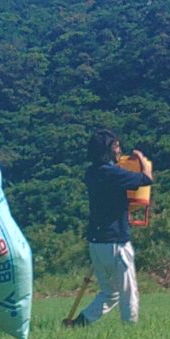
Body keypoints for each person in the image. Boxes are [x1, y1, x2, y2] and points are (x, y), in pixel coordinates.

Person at [65, 130, 156, 327]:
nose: (119, 150)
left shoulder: (92, 173)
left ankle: (80, 323)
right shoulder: (112, 174)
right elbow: (146, 179)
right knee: (128, 292)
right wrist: (141, 159)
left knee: (110, 293)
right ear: (106, 151)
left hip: (96, 243)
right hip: (116, 243)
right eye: (116, 146)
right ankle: (130, 330)